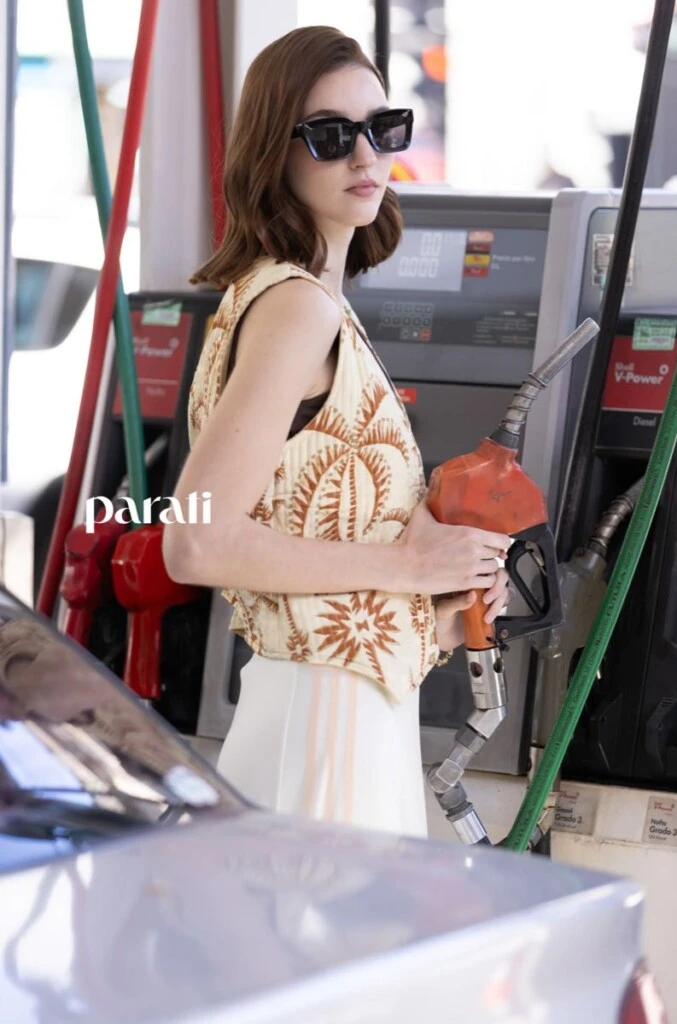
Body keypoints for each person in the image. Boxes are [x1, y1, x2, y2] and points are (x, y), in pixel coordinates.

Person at [162, 26, 511, 839]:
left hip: (338, 713)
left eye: (381, 128)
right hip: (327, 726)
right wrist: (408, 564)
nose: (364, 156)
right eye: (328, 134)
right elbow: (196, 542)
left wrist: (433, 585)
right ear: (272, 152)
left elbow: (305, 531)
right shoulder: (296, 307)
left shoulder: (285, 298)